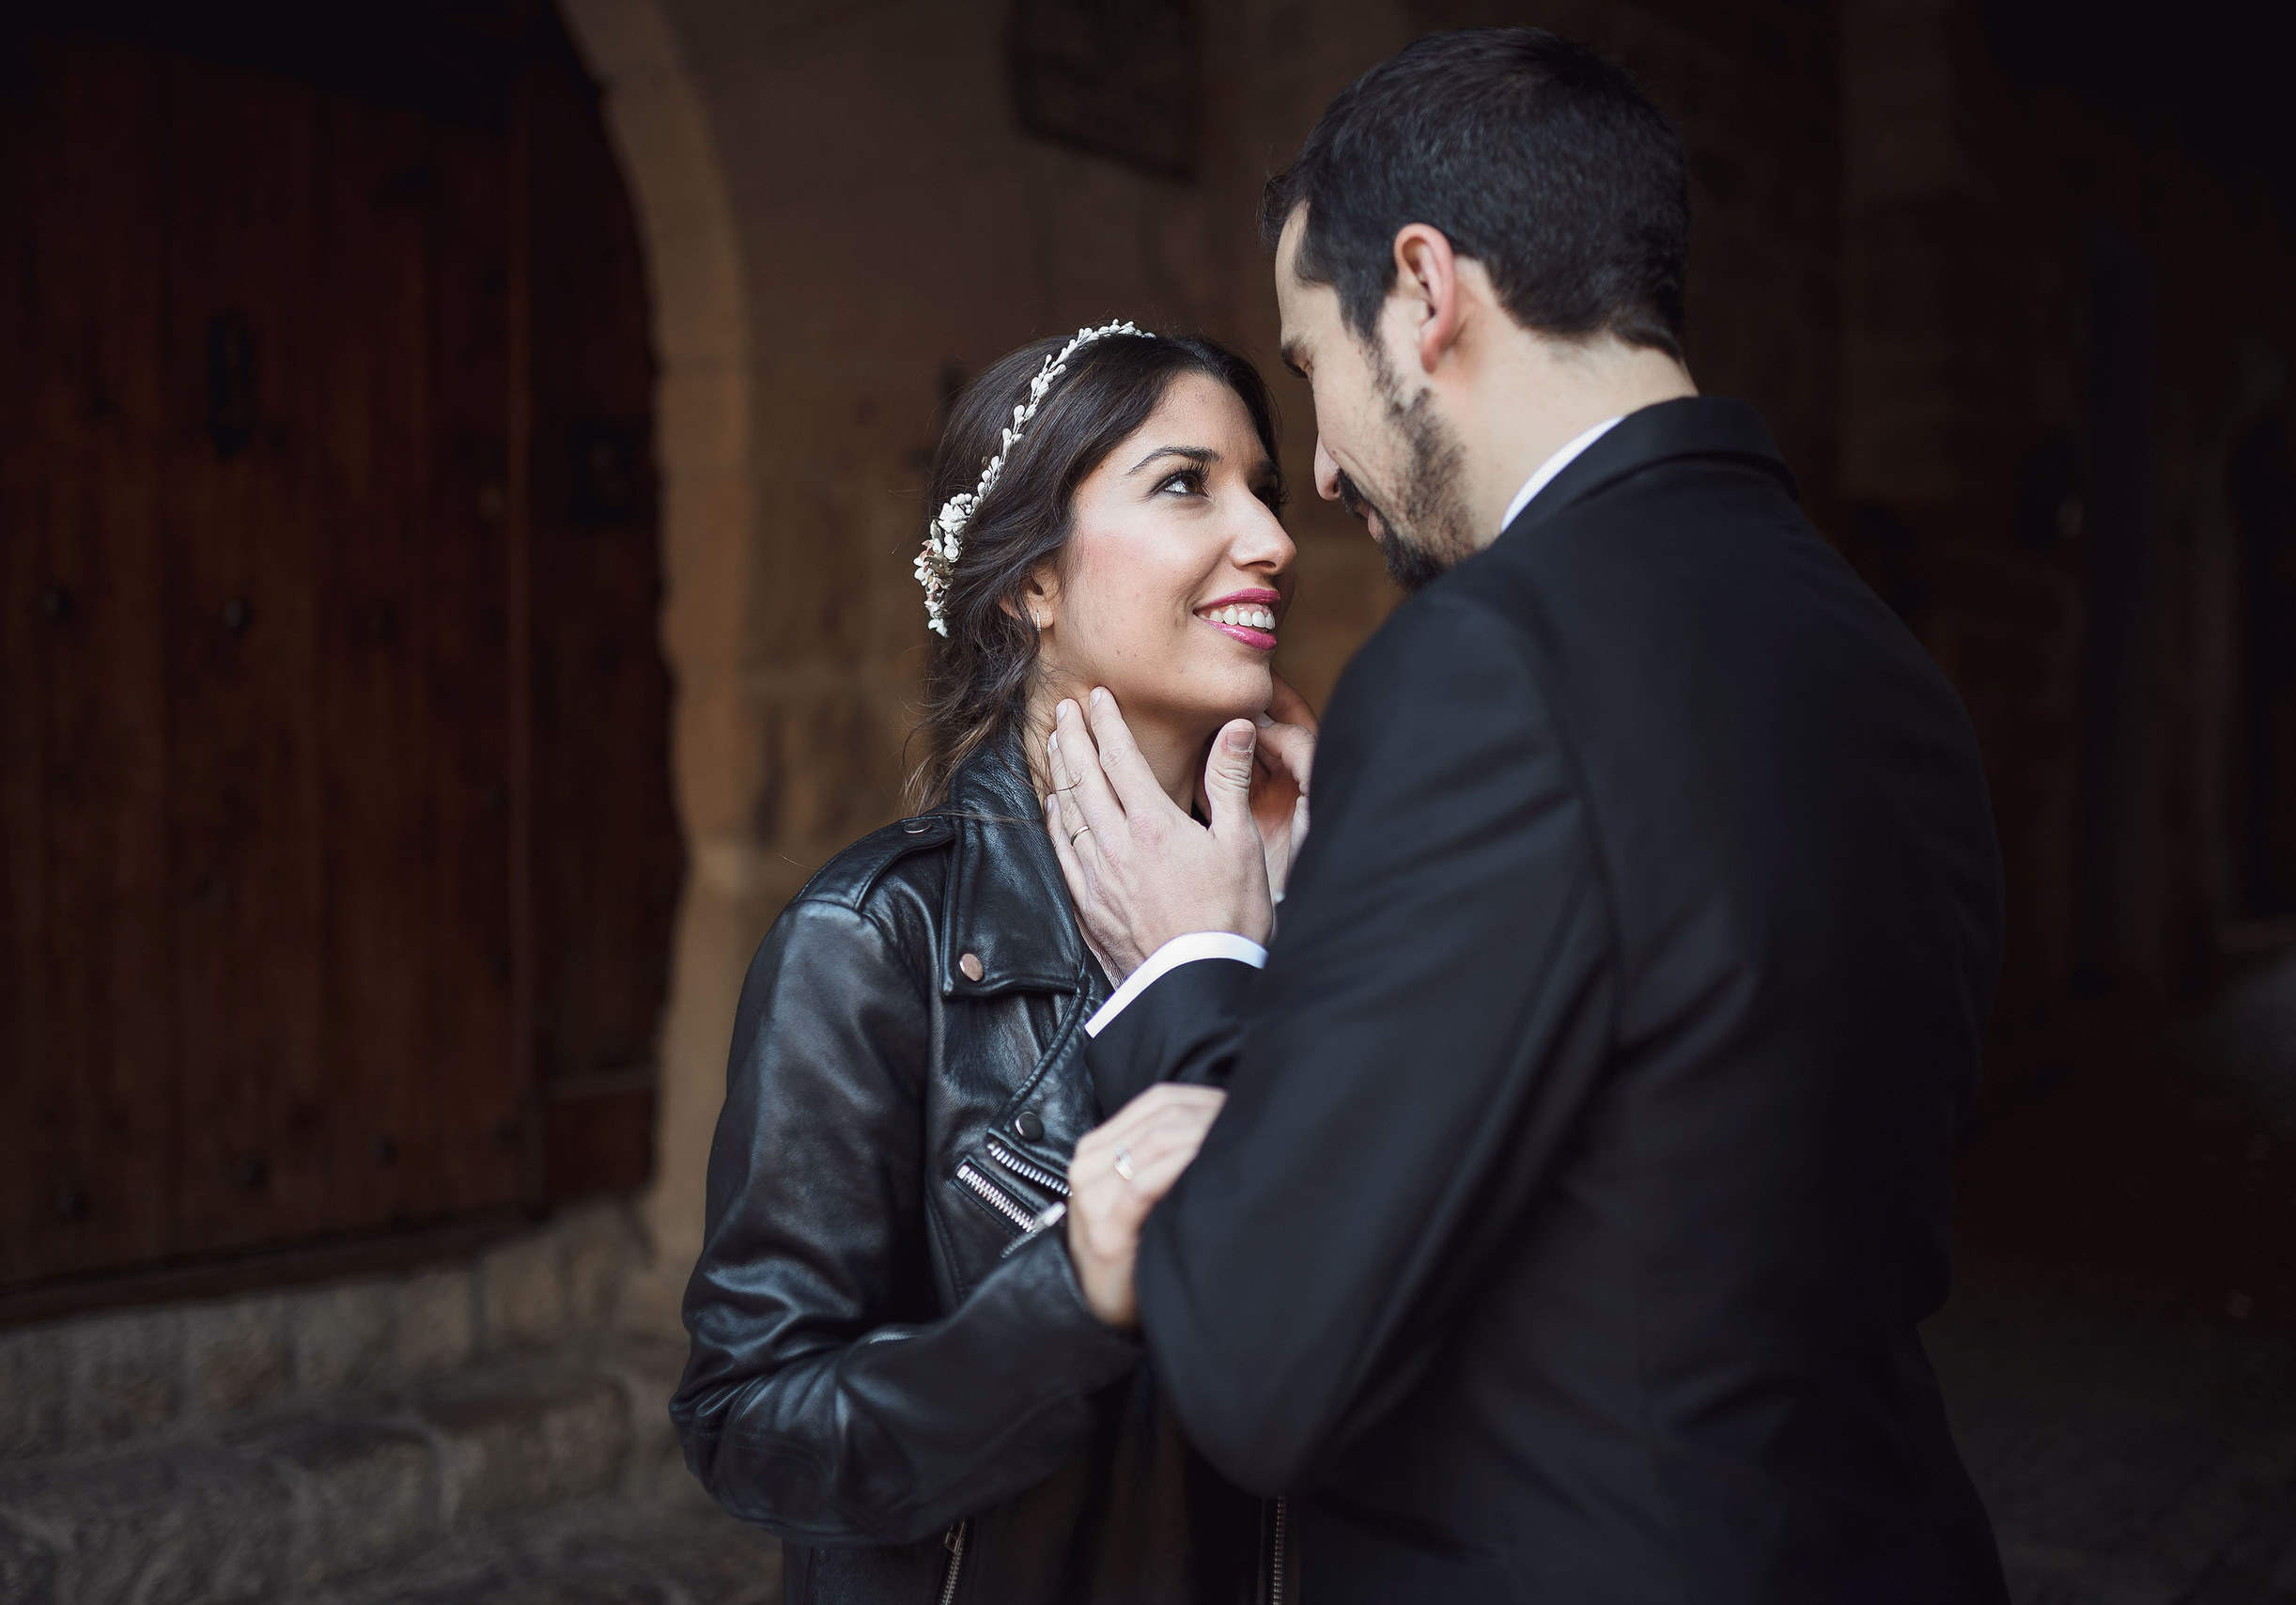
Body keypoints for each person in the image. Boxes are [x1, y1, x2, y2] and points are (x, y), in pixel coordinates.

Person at [1041, 29, 2014, 1604]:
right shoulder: (1880, 660)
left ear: (1426, 294)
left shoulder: (1488, 663)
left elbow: (1259, 1360)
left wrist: (1197, 978)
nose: (1331, 481)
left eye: (1310, 368)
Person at [670, 323, 1314, 1604]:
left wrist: (1334, 921)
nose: (1274, 539)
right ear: (1031, 583)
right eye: (1188, 483)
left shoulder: (1326, 894)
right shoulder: (871, 942)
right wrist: (1068, 1295)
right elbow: (752, 1427)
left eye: (1265, 489)